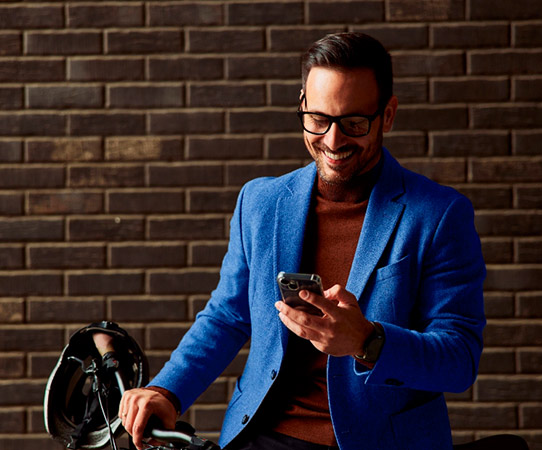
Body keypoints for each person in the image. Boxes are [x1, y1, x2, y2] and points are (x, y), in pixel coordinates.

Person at [119, 32, 486, 450]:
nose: (332, 141)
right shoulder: (260, 201)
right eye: (318, 119)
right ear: (302, 106)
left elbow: (459, 360)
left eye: (353, 123)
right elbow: (226, 316)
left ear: (387, 116)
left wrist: (367, 341)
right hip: (262, 435)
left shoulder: (439, 215)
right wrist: (167, 391)